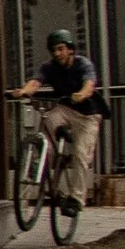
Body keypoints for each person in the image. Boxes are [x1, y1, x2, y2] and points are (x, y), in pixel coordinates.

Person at [20, 30, 103, 197]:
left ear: (70, 49)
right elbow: (36, 81)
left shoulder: (83, 64)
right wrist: (24, 91)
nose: (57, 54)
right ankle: (41, 166)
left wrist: (81, 94)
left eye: (61, 49)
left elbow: (89, 84)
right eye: (54, 50)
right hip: (65, 109)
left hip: (88, 115)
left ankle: (77, 198)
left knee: (80, 154)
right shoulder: (49, 67)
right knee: (47, 125)